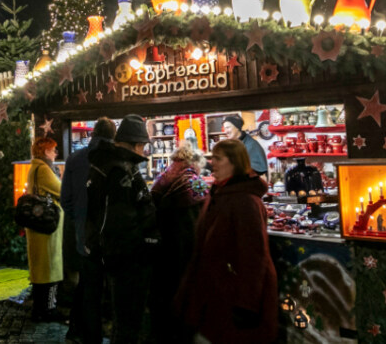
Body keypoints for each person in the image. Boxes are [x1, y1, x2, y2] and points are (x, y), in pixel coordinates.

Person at [176, 139, 278, 343]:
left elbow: (254, 257)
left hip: (233, 299)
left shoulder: (244, 200)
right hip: (216, 296)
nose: (212, 162)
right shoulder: (219, 194)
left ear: (234, 162)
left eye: (218, 158)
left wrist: (246, 305)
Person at [85, 114, 160, 343]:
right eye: (143, 147)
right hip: (127, 260)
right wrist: (146, 244)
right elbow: (121, 219)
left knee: (123, 320)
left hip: (116, 257)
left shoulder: (106, 163)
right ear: (137, 144)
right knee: (128, 323)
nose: (144, 152)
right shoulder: (120, 170)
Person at [60, 117, 117, 344]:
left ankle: (85, 333)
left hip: (85, 236)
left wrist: (80, 222)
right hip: (112, 236)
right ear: (113, 135)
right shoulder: (118, 158)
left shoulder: (74, 159)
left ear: (93, 134)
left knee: (89, 285)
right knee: (109, 288)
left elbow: (66, 201)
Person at [150, 145, 208, 344]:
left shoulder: (163, 176)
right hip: (184, 242)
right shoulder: (193, 181)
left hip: (161, 243)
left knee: (165, 293)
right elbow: (206, 205)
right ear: (195, 164)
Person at [25, 137, 64, 322]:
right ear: (46, 151)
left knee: (41, 271)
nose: (56, 153)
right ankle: (49, 310)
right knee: (50, 271)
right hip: (47, 229)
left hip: (38, 227)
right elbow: (61, 190)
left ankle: (39, 310)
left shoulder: (36, 167)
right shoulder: (44, 169)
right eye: (53, 150)